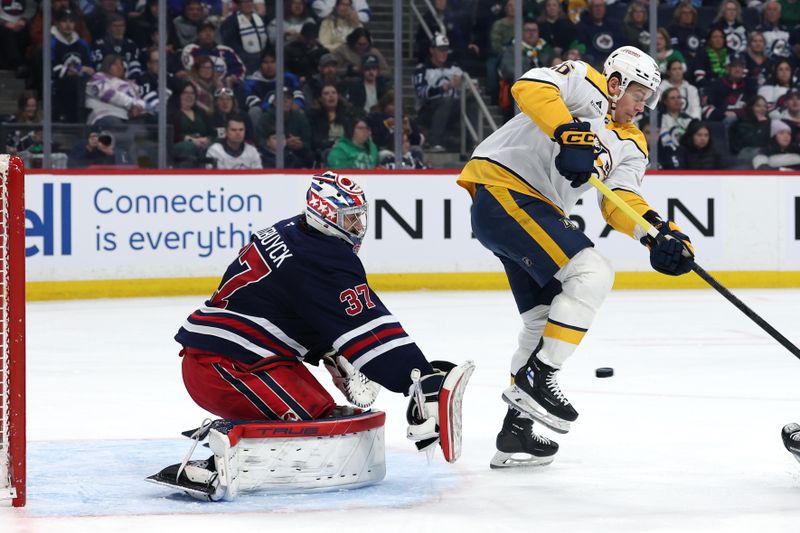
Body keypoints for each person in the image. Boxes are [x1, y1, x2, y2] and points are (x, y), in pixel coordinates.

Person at [456, 46, 696, 468]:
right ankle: (538, 377)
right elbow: (528, 88)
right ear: (617, 82)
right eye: (639, 93)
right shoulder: (584, 83)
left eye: (649, 98)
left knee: (542, 319)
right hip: (505, 190)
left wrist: (659, 234)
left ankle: (515, 432)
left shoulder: (632, 143)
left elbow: (620, 199)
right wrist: (569, 131)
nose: (644, 105)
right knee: (592, 271)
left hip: (533, 209)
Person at [173, 171, 473, 470]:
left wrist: (328, 349)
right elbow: (366, 323)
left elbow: (291, 305)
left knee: (326, 413)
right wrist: (416, 378)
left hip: (243, 358)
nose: (358, 227)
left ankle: (239, 441)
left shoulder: (291, 230)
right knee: (319, 431)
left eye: (359, 217)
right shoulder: (321, 257)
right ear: (324, 214)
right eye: (349, 218)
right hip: (226, 368)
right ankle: (223, 456)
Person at [413, 33, 464, 152]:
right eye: (441, 50)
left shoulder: (454, 68)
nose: (444, 53)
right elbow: (421, 92)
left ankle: (475, 143)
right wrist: (443, 88)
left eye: (446, 50)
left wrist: (467, 86)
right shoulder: (422, 69)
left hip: (451, 109)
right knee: (445, 101)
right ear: (432, 50)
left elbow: (465, 84)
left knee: (471, 100)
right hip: (428, 110)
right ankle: (434, 141)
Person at [219, 0, 269, 74]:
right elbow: (230, 42)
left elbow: (266, 38)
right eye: (245, 2)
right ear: (239, 5)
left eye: (250, 2)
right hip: (243, 60)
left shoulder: (259, 19)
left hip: (261, 57)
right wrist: (247, 57)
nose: (248, 4)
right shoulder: (231, 21)